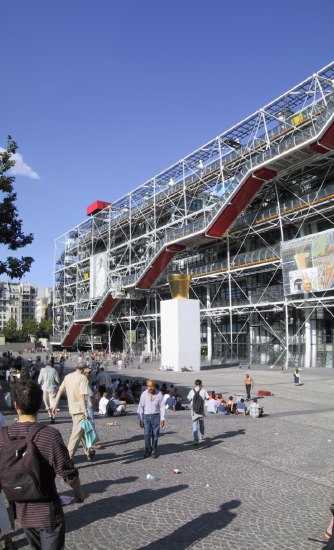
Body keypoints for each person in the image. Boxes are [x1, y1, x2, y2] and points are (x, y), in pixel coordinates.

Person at [0, 380, 84, 550]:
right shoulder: (49, 435)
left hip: (22, 512)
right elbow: (67, 471)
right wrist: (79, 492)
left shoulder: (3, 436)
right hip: (48, 512)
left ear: (16, 405)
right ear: (39, 405)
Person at [52, 363, 94, 461]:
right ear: (83, 369)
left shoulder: (67, 377)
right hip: (80, 410)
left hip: (72, 409)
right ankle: (67, 459)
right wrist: (85, 411)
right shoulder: (83, 378)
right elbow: (83, 396)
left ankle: (89, 451)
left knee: (81, 431)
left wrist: (55, 405)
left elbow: (60, 391)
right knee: (75, 435)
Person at [137, 379, 165, 459]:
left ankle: (154, 450)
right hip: (146, 417)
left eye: (151, 386)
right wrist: (141, 419)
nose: (149, 388)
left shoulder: (159, 394)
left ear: (154, 386)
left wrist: (162, 419)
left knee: (155, 435)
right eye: (148, 386)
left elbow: (162, 407)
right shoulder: (144, 394)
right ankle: (147, 450)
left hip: (156, 416)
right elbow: (141, 406)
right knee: (146, 435)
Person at [187, 379, 209, 444]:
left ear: (195, 384)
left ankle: (195, 439)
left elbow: (188, 398)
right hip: (201, 409)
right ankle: (201, 437)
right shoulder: (204, 390)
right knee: (201, 423)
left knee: (194, 424)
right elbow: (207, 398)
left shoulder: (192, 391)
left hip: (194, 410)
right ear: (201, 384)